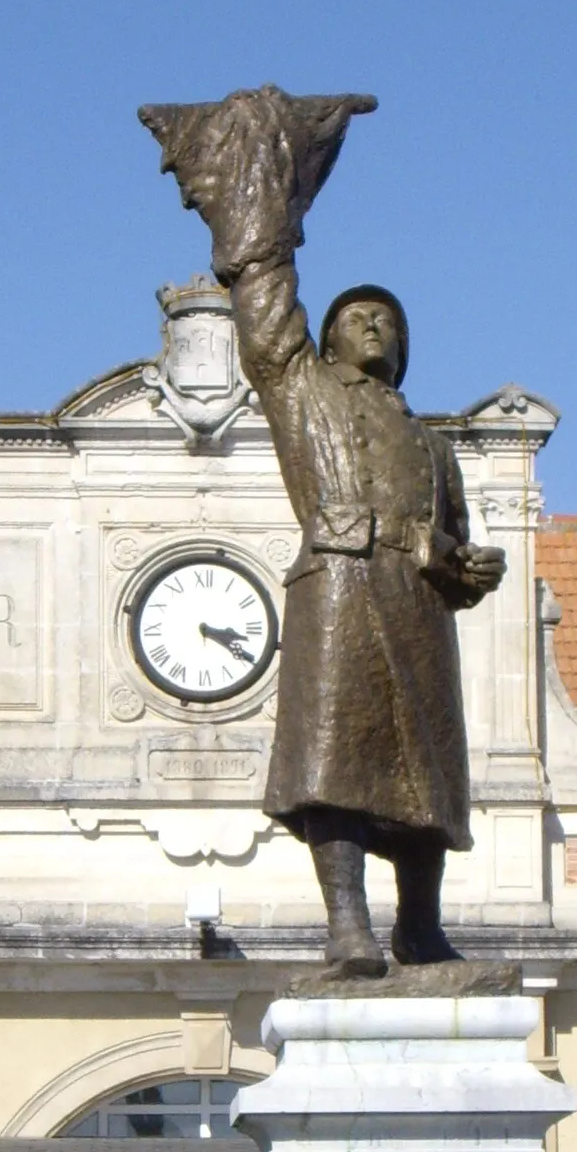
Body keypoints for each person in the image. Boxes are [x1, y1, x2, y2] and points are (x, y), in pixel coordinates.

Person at [141, 88, 504, 976]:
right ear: (328, 339)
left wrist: (467, 568)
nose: (374, 324)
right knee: (333, 759)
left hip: (414, 601)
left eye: (389, 319)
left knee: (428, 772)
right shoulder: (300, 390)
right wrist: (267, 195)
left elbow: (452, 544)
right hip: (339, 580)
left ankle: (420, 926)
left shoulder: (428, 441)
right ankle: (349, 929)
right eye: (357, 316)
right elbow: (265, 310)